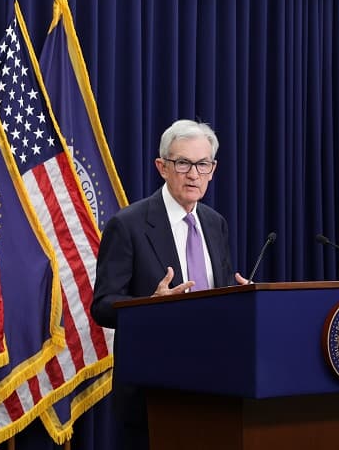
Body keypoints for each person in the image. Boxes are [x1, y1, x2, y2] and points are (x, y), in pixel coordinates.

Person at [91, 118, 248, 449]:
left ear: (213, 168)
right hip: (154, 391)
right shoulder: (128, 225)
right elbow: (102, 305)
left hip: (215, 384)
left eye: (202, 164)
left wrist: (243, 298)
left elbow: (217, 299)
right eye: (183, 163)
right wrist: (150, 305)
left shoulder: (215, 223)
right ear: (162, 167)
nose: (193, 174)